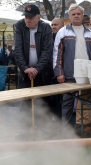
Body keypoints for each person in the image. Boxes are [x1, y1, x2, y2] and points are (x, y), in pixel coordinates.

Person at [53, 4, 91, 135]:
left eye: (78, 14)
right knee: (67, 103)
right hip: (68, 75)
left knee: (86, 103)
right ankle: (66, 130)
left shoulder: (90, 34)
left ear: (82, 15)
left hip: (87, 76)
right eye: (73, 14)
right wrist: (59, 73)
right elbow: (57, 54)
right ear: (69, 16)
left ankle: (85, 129)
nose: (76, 16)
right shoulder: (62, 32)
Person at [14, 4, 53, 136]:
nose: (28, 20)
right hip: (25, 73)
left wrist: (36, 69)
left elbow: (47, 52)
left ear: (38, 17)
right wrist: (25, 68)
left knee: (42, 102)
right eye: (26, 17)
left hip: (42, 72)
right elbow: (17, 50)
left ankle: (42, 130)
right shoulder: (19, 26)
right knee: (25, 101)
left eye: (31, 17)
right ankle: (24, 131)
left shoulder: (46, 27)